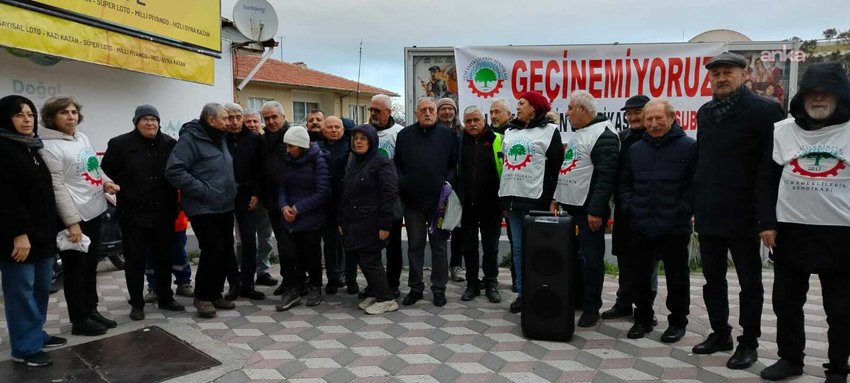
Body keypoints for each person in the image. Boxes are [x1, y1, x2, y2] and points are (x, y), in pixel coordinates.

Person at [692, 52, 785, 369]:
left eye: (727, 72)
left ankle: (749, 343)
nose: (720, 78)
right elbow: (702, 162)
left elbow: (770, 170)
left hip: (746, 216)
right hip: (708, 213)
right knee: (712, 280)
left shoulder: (765, 110)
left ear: (744, 75)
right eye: (715, 73)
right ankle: (721, 333)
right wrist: (695, 204)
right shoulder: (705, 112)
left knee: (750, 283)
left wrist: (767, 219)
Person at [759, 62, 850, 383]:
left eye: (827, 92)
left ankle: (838, 368)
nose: (820, 98)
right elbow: (766, 180)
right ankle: (790, 359)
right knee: (785, 303)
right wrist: (766, 222)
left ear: (841, 96)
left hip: (841, 235)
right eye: (813, 92)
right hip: (790, 231)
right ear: (803, 97)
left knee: (840, 310)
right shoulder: (782, 131)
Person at [39, 96, 119, 336]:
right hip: (73, 217)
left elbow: (93, 166)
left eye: (74, 112)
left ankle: (91, 309)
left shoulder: (81, 137)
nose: (71, 116)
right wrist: (72, 223)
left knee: (91, 265)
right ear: (52, 117)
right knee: (75, 269)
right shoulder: (47, 146)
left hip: (94, 210)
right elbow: (57, 188)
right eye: (64, 112)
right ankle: (79, 318)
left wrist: (106, 183)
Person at [618, 99, 697, 342]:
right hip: (641, 223)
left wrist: (682, 211)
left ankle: (677, 322)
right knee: (640, 276)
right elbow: (624, 185)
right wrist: (631, 208)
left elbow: (694, 186)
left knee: (677, 277)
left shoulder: (689, 147)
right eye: (649, 119)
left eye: (658, 118)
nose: (653, 123)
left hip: (674, 225)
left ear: (672, 118)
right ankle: (642, 319)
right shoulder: (635, 149)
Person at [101, 104, 184, 321]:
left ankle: (166, 297)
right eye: (145, 119)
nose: (150, 123)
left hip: (164, 214)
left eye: (154, 119)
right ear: (136, 122)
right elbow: (107, 171)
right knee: (135, 261)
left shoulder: (169, 144)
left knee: (164, 258)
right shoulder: (120, 144)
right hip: (133, 215)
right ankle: (136, 303)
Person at [0, 95, 65, 366]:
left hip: (42, 235)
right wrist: (19, 233)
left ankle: (34, 333)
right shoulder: (3, 149)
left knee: (40, 288)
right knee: (21, 292)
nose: (27, 120)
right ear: (6, 118)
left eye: (30, 114)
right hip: (19, 237)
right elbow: (5, 197)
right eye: (19, 115)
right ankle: (24, 349)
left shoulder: (31, 148)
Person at [554, 90, 620, 328]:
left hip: (588, 212)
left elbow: (606, 177)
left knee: (591, 261)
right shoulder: (581, 132)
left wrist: (596, 210)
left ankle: (592, 307)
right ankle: (579, 299)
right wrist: (556, 198)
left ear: (582, 109)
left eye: (571, 108)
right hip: (571, 208)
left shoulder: (604, 135)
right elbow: (570, 168)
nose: (568, 113)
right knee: (574, 258)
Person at [165, 103, 237, 318]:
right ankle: (202, 297)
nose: (228, 122)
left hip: (225, 204)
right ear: (211, 119)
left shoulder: (220, 137)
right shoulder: (191, 139)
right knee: (212, 250)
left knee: (224, 251)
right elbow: (174, 170)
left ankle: (215, 293)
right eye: (224, 118)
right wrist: (203, 190)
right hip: (203, 206)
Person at [499, 91, 564, 314]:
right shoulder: (509, 131)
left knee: (537, 250)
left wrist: (553, 199)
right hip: (512, 201)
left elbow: (557, 168)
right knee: (518, 249)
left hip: (536, 200)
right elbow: (506, 166)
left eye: (521, 103)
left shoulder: (550, 131)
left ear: (534, 108)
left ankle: (541, 290)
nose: (517, 107)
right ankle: (522, 293)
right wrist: (505, 202)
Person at [395, 97, 458, 307]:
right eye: (424, 110)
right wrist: (403, 182)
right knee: (415, 246)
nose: (428, 113)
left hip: (438, 202)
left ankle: (439, 288)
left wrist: (447, 183)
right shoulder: (404, 135)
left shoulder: (448, 135)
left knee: (439, 246)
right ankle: (415, 288)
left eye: (431, 109)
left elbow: (454, 164)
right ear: (416, 113)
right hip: (413, 202)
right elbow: (398, 164)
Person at [604, 95, 659, 321]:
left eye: (638, 112)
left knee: (649, 262)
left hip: (650, 209)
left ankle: (646, 308)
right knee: (624, 256)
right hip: (624, 209)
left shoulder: (656, 137)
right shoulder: (621, 138)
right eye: (629, 113)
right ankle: (623, 302)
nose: (633, 117)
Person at [339, 124, 400, 315]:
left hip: (373, 222)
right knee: (362, 259)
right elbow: (346, 194)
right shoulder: (354, 162)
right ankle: (375, 292)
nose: (358, 142)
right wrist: (341, 221)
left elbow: (389, 195)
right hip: (355, 222)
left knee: (370, 259)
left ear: (372, 141)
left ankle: (387, 299)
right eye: (355, 138)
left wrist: (384, 224)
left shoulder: (383, 163)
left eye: (363, 138)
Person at [275, 126, 330, 310]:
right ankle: (293, 289)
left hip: (310, 217)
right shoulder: (288, 160)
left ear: (301, 145)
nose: (288, 150)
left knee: (312, 254)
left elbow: (322, 192)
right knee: (288, 254)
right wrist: (284, 207)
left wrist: (298, 208)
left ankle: (315, 287)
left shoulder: (318, 160)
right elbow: (282, 187)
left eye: (291, 146)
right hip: (289, 217)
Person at [360, 94, 406, 298]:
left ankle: (393, 283)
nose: (373, 114)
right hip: (368, 199)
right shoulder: (364, 131)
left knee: (393, 245)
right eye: (371, 110)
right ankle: (374, 283)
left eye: (377, 111)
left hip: (391, 198)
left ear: (389, 112)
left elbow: (405, 165)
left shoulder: (400, 133)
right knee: (370, 246)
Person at [456, 106, 502, 303]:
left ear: (484, 120)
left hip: (492, 204)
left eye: (476, 120)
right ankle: (472, 284)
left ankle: (491, 283)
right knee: (469, 247)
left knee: (491, 247)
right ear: (463, 123)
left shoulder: (497, 139)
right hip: (467, 205)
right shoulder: (458, 142)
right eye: (468, 121)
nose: (472, 124)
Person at [224, 102, 265, 301]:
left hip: (247, 197)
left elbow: (260, 169)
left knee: (250, 241)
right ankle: (233, 283)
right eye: (229, 118)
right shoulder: (219, 139)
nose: (234, 122)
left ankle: (248, 284)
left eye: (237, 117)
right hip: (223, 197)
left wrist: (257, 193)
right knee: (226, 242)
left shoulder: (254, 139)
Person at [242, 109, 278, 287]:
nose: (252, 125)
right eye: (248, 121)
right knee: (244, 238)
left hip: (265, 197)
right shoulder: (237, 142)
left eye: (255, 121)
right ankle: (245, 272)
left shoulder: (265, 141)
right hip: (243, 198)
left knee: (265, 236)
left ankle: (262, 271)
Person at [259, 101, 291, 296]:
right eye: (267, 118)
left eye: (274, 117)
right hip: (271, 200)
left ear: (283, 117)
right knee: (282, 242)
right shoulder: (262, 140)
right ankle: (288, 281)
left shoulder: (292, 138)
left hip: (291, 201)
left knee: (291, 244)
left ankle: (297, 282)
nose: (270, 121)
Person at [488, 97, 518, 291]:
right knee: (492, 242)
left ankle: (518, 281)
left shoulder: (517, 134)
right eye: (491, 112)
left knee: (516, 241)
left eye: (497, 112)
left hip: (510, 197)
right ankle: (491, 279)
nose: (493, 116)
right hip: (489, 197)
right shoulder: (487, 134)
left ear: (509, 114)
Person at [318, 116, 349, 294]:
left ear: (343, 130)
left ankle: (346, 275)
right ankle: (332, 277)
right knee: (329, 242)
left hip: (346, 201)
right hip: (325, 202)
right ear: (323, 130)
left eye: (337, 127)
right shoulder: (316, 148)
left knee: (346, 242)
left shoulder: (350, 147)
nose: (334, 130)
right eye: (330, 127)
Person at [436, 97, 466, 283]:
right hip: (438, 186)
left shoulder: (462, 132)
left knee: (459, 229)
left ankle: (456, 265)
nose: (447, 112)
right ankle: (439, 268)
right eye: (443, 109)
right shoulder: (432, 132)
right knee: (438, 227)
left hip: (459, 186)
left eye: (450, 109)